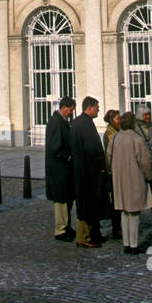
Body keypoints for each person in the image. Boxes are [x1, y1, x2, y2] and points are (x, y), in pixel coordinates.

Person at [110, 110, 152, 254]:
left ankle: (126, 243)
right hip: (134, 179)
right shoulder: (136, 139)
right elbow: (145, 161)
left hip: (119, 180)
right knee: (134, 213)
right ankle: (133, 244)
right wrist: (148, 176)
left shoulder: (115, 138)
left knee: (124, 212)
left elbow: (108, 156)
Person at [71, 96, 106, 248]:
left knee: (84, 204)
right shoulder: (86, 124)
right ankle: (85, 237)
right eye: (97, 107)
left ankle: (86, 234)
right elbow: (92, 149)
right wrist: (101, 165)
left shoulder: (77, 122)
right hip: (89, 171)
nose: (98, 110)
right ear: (90, 107)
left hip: (80, 169)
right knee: (88, 204)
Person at [44, 96, 77, 241]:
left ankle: (66, 226)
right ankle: (60, 230)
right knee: (61, 200)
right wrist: (68, 156)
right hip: (58, 169)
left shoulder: (61, 121)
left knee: (66, 199)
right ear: (64, 108)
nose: (71, 113)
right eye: (70, 110)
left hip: (63, 169)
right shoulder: (56, 123)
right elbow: (55, 147)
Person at [102, 109, 123, 240]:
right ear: (111, 120)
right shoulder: (110, 134)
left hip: (118, 170)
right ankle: (117, 228)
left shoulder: (117, 132)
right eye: (117, 119)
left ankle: (120, 226)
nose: (119, 121)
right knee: (116, 202)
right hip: (113, 171)